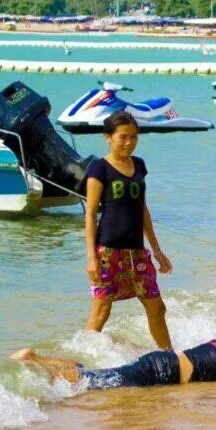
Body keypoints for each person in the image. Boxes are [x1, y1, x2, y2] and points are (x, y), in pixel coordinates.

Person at [12, 300, 216, 387]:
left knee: (100, 377)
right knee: (94, 381)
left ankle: (40, 362)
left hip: (162, 364)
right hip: (162, 371)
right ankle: (37, 363)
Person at [83, 111, 175, 350]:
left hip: (137, 253)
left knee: (157, 307)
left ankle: (170, 357)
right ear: (108, 137)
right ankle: (82, 363)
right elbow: (91, 214)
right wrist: (92, 257)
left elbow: (142, 209)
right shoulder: (98, 168)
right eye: (123, 137)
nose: (129, 142)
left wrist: (156, 249)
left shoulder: (140, 165)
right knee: (102, 311)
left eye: (134, 137)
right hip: (107, 252)